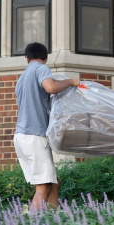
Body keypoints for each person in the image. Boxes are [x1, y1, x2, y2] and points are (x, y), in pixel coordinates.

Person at [13, 42, 80, 211]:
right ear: (46, 57)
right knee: (43, 186)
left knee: (53, 183)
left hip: (21, 137)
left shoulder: (22, 78)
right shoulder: (41, 68)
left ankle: (54, 218)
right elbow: (51, 87)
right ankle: (31, 222)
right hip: (34, 136)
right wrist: (71, 81)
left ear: (26, 58)